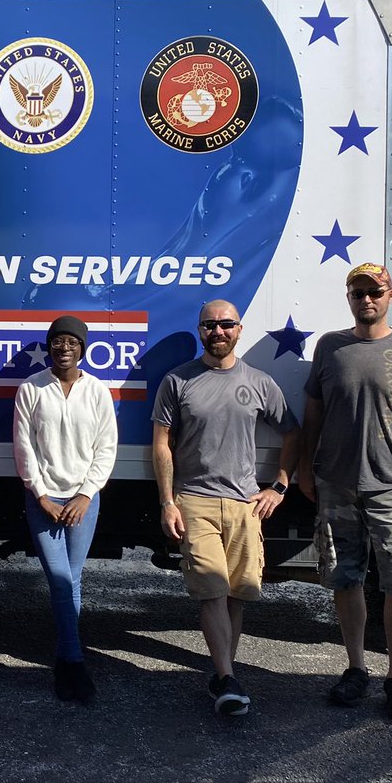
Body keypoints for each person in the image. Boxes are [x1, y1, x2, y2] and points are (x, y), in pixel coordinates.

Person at [297, 263, 392, 723]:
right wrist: (306, 467)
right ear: (349, 297)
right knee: (345, 580)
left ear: (390, 296)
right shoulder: (330, 347)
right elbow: (314, 412)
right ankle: (356, 668)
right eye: (358, 292)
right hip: (337, 485)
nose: (367, 299)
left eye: (375, 292)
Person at [152, 300, 299, 716]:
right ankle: (227, 677)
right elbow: (161, 444)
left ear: (239, 329)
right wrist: (167, 501)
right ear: (200, 330)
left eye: (226, 324)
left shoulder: (260, 382)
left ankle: (223, 675)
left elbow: (293, 434)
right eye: (210, 325)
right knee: (212, 591)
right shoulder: (177, 381)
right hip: (194, 500)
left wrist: (280, 487)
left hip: (244, 504)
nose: (218, 331)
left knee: (237, 593)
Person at [13, 315, 117, 704]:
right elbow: (24, 446)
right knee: (61, 581)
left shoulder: (97, 391)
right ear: (50, 346)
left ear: (83, 348)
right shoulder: (31, 388)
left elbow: (106, 447)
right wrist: (41, 495)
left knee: (72, 580)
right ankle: (73, 663)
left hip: (83, 501)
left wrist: (86, 495)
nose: (64, 348)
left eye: (72, 342)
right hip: (43, 500)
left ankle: (66, 662)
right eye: (58, 341)